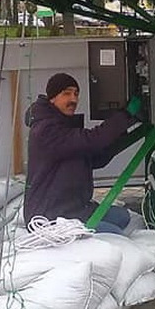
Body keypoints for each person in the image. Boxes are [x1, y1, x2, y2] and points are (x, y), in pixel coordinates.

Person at [23, 72, 142, 233]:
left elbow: (96, 158)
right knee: (115, 234)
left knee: (122, 217)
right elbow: (92, 140)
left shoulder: (63, 125)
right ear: (52, 98)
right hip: (51, 215)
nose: (73, 99)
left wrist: (124, 130)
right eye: (66, 94)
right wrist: (125, 116)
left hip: (74, 208)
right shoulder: (46, 130)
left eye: (76, 94)